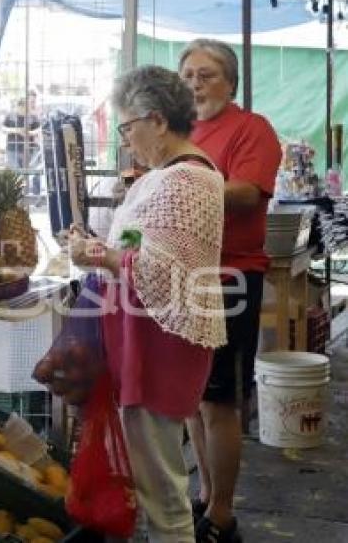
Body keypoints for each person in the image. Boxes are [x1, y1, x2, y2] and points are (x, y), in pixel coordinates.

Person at [68, 65, 227, 542]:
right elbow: (143, 254)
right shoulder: (165, 177)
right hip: (147, 341)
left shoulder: (186, 180)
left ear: (157, 120)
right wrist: (97, 249)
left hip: (159, 348)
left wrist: (93, 253)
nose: (127, 139)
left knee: (163, 492)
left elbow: (160, 270)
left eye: (128, 127)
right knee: (156, 479)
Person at [179, 39, 282, 543]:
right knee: (191, 398)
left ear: (231, 83)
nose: (195, 84)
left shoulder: (251, 129)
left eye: (207, 74)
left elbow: (245, 193)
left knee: (219, 400)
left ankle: (222, 515)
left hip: (229, 278)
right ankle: (204, 495)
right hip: (181, 275)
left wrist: (177, 187)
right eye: (188, 75)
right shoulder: (179, 133)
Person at [2, 92, 41, 194]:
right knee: (15, 174)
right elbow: (3, 128)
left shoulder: (32, 117)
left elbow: (39, 129)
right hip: (12, 149)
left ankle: (33, 196)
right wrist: (16, 130)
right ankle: (16, 196)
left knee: (30, 173)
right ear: (19, 106)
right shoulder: (10, 116)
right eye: (23, 107)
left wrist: (30, 133)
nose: (25, 110)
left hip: (29, 150)